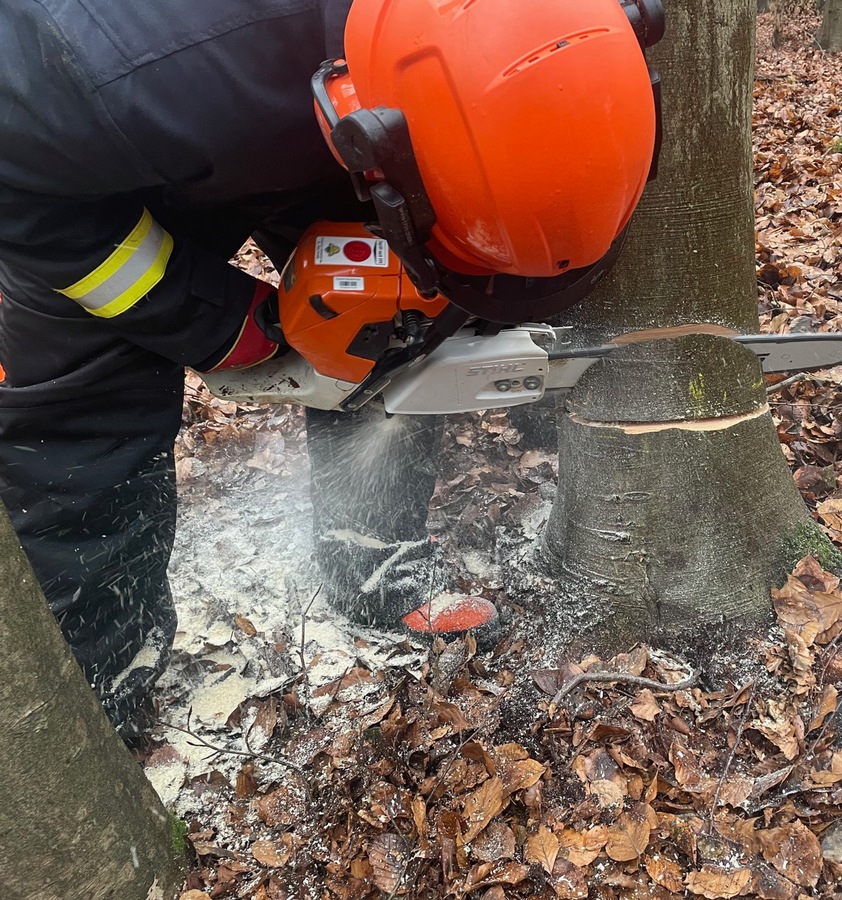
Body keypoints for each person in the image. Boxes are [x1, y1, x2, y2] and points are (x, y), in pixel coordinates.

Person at [0, 0, 661, 742]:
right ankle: (93, 692)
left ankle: (372, 567)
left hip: (334, 112)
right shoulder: (97, 68)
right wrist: (222, 322)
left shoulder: (560, 31)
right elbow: (16, 188)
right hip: (86, 178)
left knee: (388, 323)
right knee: (84, 417)